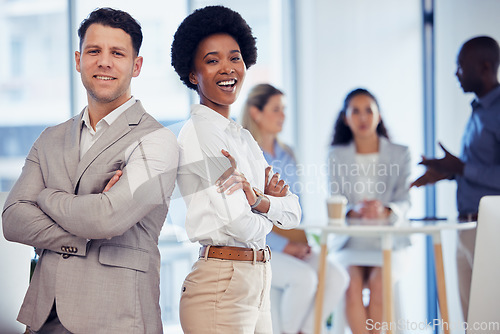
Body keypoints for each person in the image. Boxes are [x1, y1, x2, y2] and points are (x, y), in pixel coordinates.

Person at [2, 8, 179, 333]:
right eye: (94, 51)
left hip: (117, 317)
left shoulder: (157, 141)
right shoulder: (51, 138)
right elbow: (12, 219)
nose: (104, 61)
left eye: (117, 53)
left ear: (136, 65)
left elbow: (106, 218)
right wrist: (87, 230)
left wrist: (46, 197)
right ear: (78, 59)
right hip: (43, 315)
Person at [171, 6, 301, 334]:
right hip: (221, 287)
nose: (228, 69)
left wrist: (257, 201)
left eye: (235, 57)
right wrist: (267, 207)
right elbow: (239, 224)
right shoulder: (201, 135)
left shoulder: (241, 137)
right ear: (192, 74)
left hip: (256, 280)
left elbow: (294, 212)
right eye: (212, 60)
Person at [241, 83, 349, 334]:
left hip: (292, 240)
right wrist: (283, 246)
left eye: (284, 109)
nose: (283, 116)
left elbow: (294, 207)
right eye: (276, 109)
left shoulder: (288, 154)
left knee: (337, 277)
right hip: (260, 247)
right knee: (305, 279)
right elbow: (250, 214)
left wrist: (301, 242)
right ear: (256, 113)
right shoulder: (247, 154)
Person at [411, 35, 500, 320]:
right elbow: (480, 167)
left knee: (490, 317)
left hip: (490, 229)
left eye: (461, 66)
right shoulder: (478, 110)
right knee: (472, 320)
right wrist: (447, 173)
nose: (456, 73)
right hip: (466, 226)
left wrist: (460, 168)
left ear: (485, 67)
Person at [328, 88, 411, 334]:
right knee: (350, 287)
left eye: (368, 111)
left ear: (379, 115)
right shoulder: (336, 155)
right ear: (346, 118)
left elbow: (405, 199)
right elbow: (335, 199)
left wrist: (385, 209)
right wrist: (353, 211)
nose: (363, 118)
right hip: (350, 243)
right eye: (355, 111)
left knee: (379, 285)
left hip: (390, 242)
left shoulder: (400, 153)